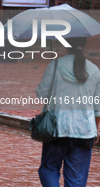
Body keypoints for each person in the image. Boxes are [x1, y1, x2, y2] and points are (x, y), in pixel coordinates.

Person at [36, 37, 100, 186]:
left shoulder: (55, 65)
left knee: (49, 169)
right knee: (77, 177)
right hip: (85, 132)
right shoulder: (95, 70)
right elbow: (97, 108)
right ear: (83, 45)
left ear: (65, 45)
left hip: (57, 130)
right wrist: (95, 129)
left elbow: (41, 93)